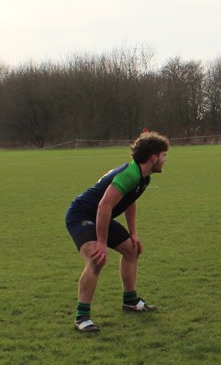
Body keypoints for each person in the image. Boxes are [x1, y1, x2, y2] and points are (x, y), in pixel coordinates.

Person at [65, 131, 170, 332]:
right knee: (97, 259)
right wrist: (101, 242)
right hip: (81, 216)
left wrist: (133, 233)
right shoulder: (130, 174)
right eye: (164, 155)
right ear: (153, 158)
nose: (165, 160)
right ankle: (82, 318)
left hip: (99, 216)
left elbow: (129, 201)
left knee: (132, 249)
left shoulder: (143, 177)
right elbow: (104, 205)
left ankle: (130, 301)